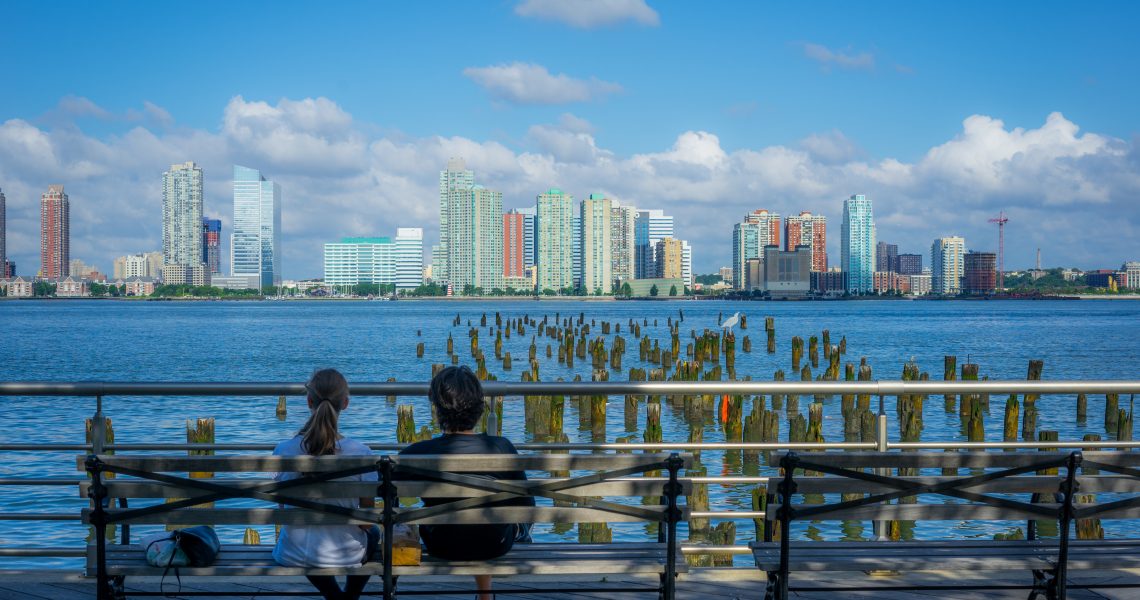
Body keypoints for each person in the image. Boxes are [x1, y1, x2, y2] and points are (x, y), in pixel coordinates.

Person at [399, 366, 534, 600]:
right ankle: (485, 595)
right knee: (493, 520)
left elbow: (385, 490)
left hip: (441, 544)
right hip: (494, 544)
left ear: (437, 409)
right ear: (479, 408)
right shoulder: (502, 447)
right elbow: (527, 505)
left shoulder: (416, 453)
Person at [273, 368, 379, 600]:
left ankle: (334, 596)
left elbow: (282, 511)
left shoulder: (283, 450)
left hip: (292, 553)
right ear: (345, 403)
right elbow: (366, 523)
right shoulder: (362, 453)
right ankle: (347, 598)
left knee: (312, 548)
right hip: (345, 556)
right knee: (376, 533)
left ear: (309, 401)